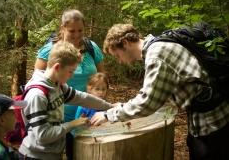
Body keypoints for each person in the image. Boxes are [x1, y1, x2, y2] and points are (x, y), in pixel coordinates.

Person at [90, 24, 229, 160]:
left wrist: (109, 115)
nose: (119, 61)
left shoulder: (157, 55)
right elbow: (161, 95)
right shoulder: (159, 44)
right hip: (208, 116)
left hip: (211, 122)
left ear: (125, 43)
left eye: (117, 55)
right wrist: (122, 107)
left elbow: (147, 103)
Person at [19, 41, 112, 160]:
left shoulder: (58, 85)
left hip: (52, 154)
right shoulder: (38, 95)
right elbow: (43, 135)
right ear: (57, 67)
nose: (72, 76)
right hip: (35, 156)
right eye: (71, 71)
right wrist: (72, 124)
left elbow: (82, 98)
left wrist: (110, 107)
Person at [34, 9, 105, 160]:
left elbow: (101, 77)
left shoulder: (91, 48)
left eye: (80, 30)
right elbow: (39, 81)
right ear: (62, 28)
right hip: (58, 118)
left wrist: (104, 104)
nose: (77, 34)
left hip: (87, 116)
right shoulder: (50, 50)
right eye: (72, 30)